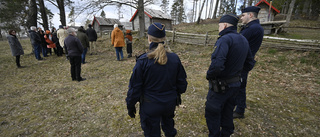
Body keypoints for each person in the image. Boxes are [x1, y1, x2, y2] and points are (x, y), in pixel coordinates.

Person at [126, 23, 188, 137]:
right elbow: (182, 83)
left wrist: (130, 105)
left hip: (150, 106)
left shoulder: (143, 61)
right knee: (169, 128)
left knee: (152, 133)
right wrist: (175, 94)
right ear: (164, 39)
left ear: (149, 39)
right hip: (169, 103)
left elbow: (135, 87)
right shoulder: (174, 58)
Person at [205, 14, 255, 137]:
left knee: (212, 111)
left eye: (219, 25)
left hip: (221, 85)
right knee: (228, 110)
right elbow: (250, 62)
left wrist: (209, 76)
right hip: (235, 84)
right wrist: (237, 73)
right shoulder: (243, 39)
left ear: (225, 25)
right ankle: (226, 133)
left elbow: (217, 65)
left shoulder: (224, 39)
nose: (219, 28)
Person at [233, 6, 264, 119]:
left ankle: (240, 110)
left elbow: (238, 42)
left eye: (243, 15)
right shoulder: (252, 27)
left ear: (250, 15)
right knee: (238, 83)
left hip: (243, 61)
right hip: (244, 60)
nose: (241, 18)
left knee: (240, 85)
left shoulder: (253, 28)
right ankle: (235, 104)